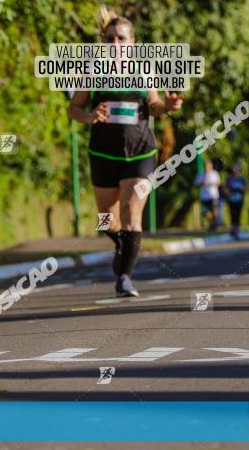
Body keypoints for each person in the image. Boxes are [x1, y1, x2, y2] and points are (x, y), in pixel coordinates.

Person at [68, 16, 183, 297]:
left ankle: (125, 277)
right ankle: (121, 243)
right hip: (103, 153)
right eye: (110, 39)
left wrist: (165, 105)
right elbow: (74, 109)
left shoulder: (144, 71)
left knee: (132, 212)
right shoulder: (92, 71)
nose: (115, 43)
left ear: (132, 43)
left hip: (141, 151)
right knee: (105, 219)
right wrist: (90, 116)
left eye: (121, 38)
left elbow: (153, 106)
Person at [196, 160, 222, 232]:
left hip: (213, 195)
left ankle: (214, 224)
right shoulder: (201, 174)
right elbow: (197, 183)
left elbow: (219, 183)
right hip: (204, 196)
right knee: (206, 211)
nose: (207, 167)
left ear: (211, 166)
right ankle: (212, 223)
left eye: (209, 165)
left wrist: (213, 183)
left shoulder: (215, 173)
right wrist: (203, 182)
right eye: (206, 166)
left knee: (214, 210)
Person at [225, 163, 246, 239]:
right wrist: (228, 193)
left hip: (239, 199)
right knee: (232, 215)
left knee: (238, 215)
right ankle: (233, 230)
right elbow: (226, 189)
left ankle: (236, 231)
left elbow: (246, 188)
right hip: (231, 200)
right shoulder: (229, 179)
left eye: (237, 168)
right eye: (234, 168)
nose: (235, 170)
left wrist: (241, 189)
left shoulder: (242, 179)